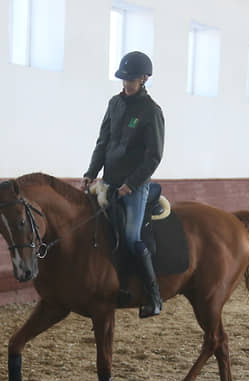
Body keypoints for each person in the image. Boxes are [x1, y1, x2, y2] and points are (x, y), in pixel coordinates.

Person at [82, 51, 165, 318]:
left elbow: (154, 156)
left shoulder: (151, 112)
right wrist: (91, 171)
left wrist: (131, 184)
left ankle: (154, 297)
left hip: (134, 186)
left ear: (144, 79)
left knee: (131, 237)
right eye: (124, 79)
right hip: (108, 182)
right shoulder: (114, 104)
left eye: (131, 79)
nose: (126, 83)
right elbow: (102, 142)